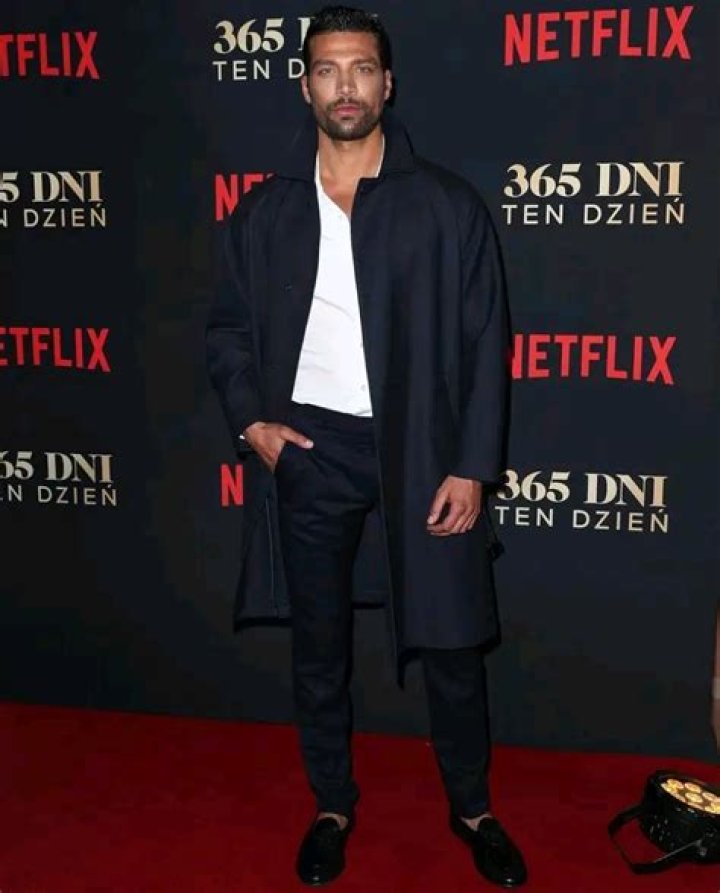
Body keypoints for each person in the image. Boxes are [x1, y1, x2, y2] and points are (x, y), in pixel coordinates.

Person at [207, 5, 526, 887]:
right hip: (311, 449)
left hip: (425, 451)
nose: (344, 86)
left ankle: (473, 808)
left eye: (360, 69)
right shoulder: (265, 210)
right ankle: (331, 805)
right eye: (327, 69)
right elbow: (227, 331)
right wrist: (255, 425)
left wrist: (472, 465)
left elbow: (485, 343)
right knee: (319, 644)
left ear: (388, 83)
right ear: (304, 85)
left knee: (452, 641)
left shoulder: (447, 206)